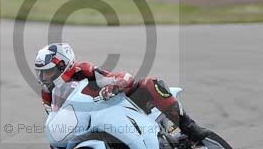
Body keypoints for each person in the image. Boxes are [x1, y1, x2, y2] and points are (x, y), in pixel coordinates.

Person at [33, 42, 211, 142]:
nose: (45, 77)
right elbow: (53, 118)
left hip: (117, 106)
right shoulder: (47, 93)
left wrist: (114, 86)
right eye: (41, 73)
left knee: (150, 83)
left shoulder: (84, 70)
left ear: (64, 65)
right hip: (89, 126)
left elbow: (120, 76)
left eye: (48, 71)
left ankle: (188, 125)